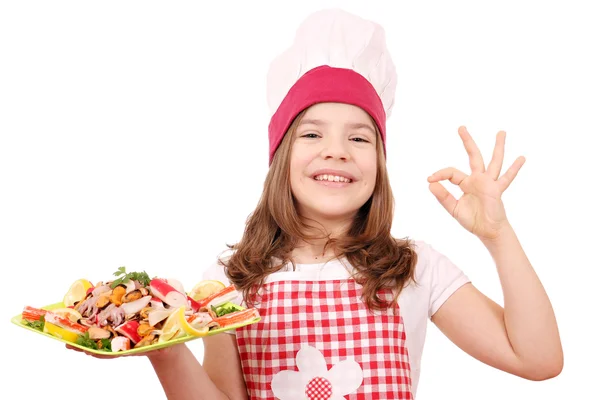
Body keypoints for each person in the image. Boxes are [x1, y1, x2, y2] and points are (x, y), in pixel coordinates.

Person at [71, 8, 563, 400]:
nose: (337, 150)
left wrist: (497, 235)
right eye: (311, 133)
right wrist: (166, 350)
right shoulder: (228, 279)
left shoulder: (414, 268)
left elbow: (538, 360)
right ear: (281, 156)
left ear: (379, 163)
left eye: (359, 137)